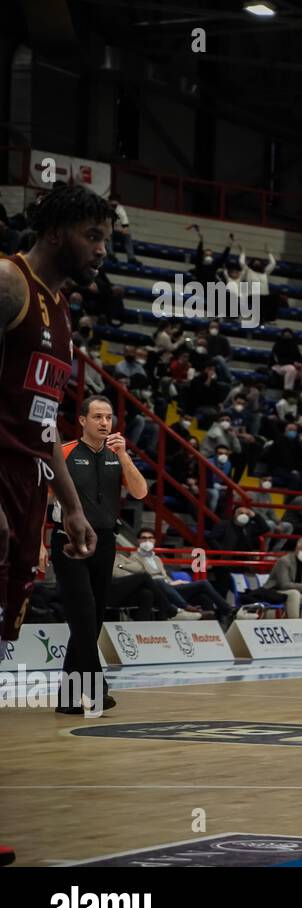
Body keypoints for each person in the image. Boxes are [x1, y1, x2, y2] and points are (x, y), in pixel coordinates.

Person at [0, 186, 107, 726]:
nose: (101, 249)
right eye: (92, 236)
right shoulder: (7, 282)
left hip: (30, 491)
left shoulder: (62, 312)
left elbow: (44, 423)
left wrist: (72, 506)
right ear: (54, 232)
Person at [52, 396, 149, 713]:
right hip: (70, 538)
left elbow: (140, 492)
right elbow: (42, 498)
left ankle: (68, 698)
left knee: (90, 620)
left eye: (108, 417)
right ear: (82, 420)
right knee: (83, 610)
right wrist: (39, 544)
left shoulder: (115, 454)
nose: (104, 423)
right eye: (97, 417)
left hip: (105, 540)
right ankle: (96, 686)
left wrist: (124, 457)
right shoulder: (64, 452)